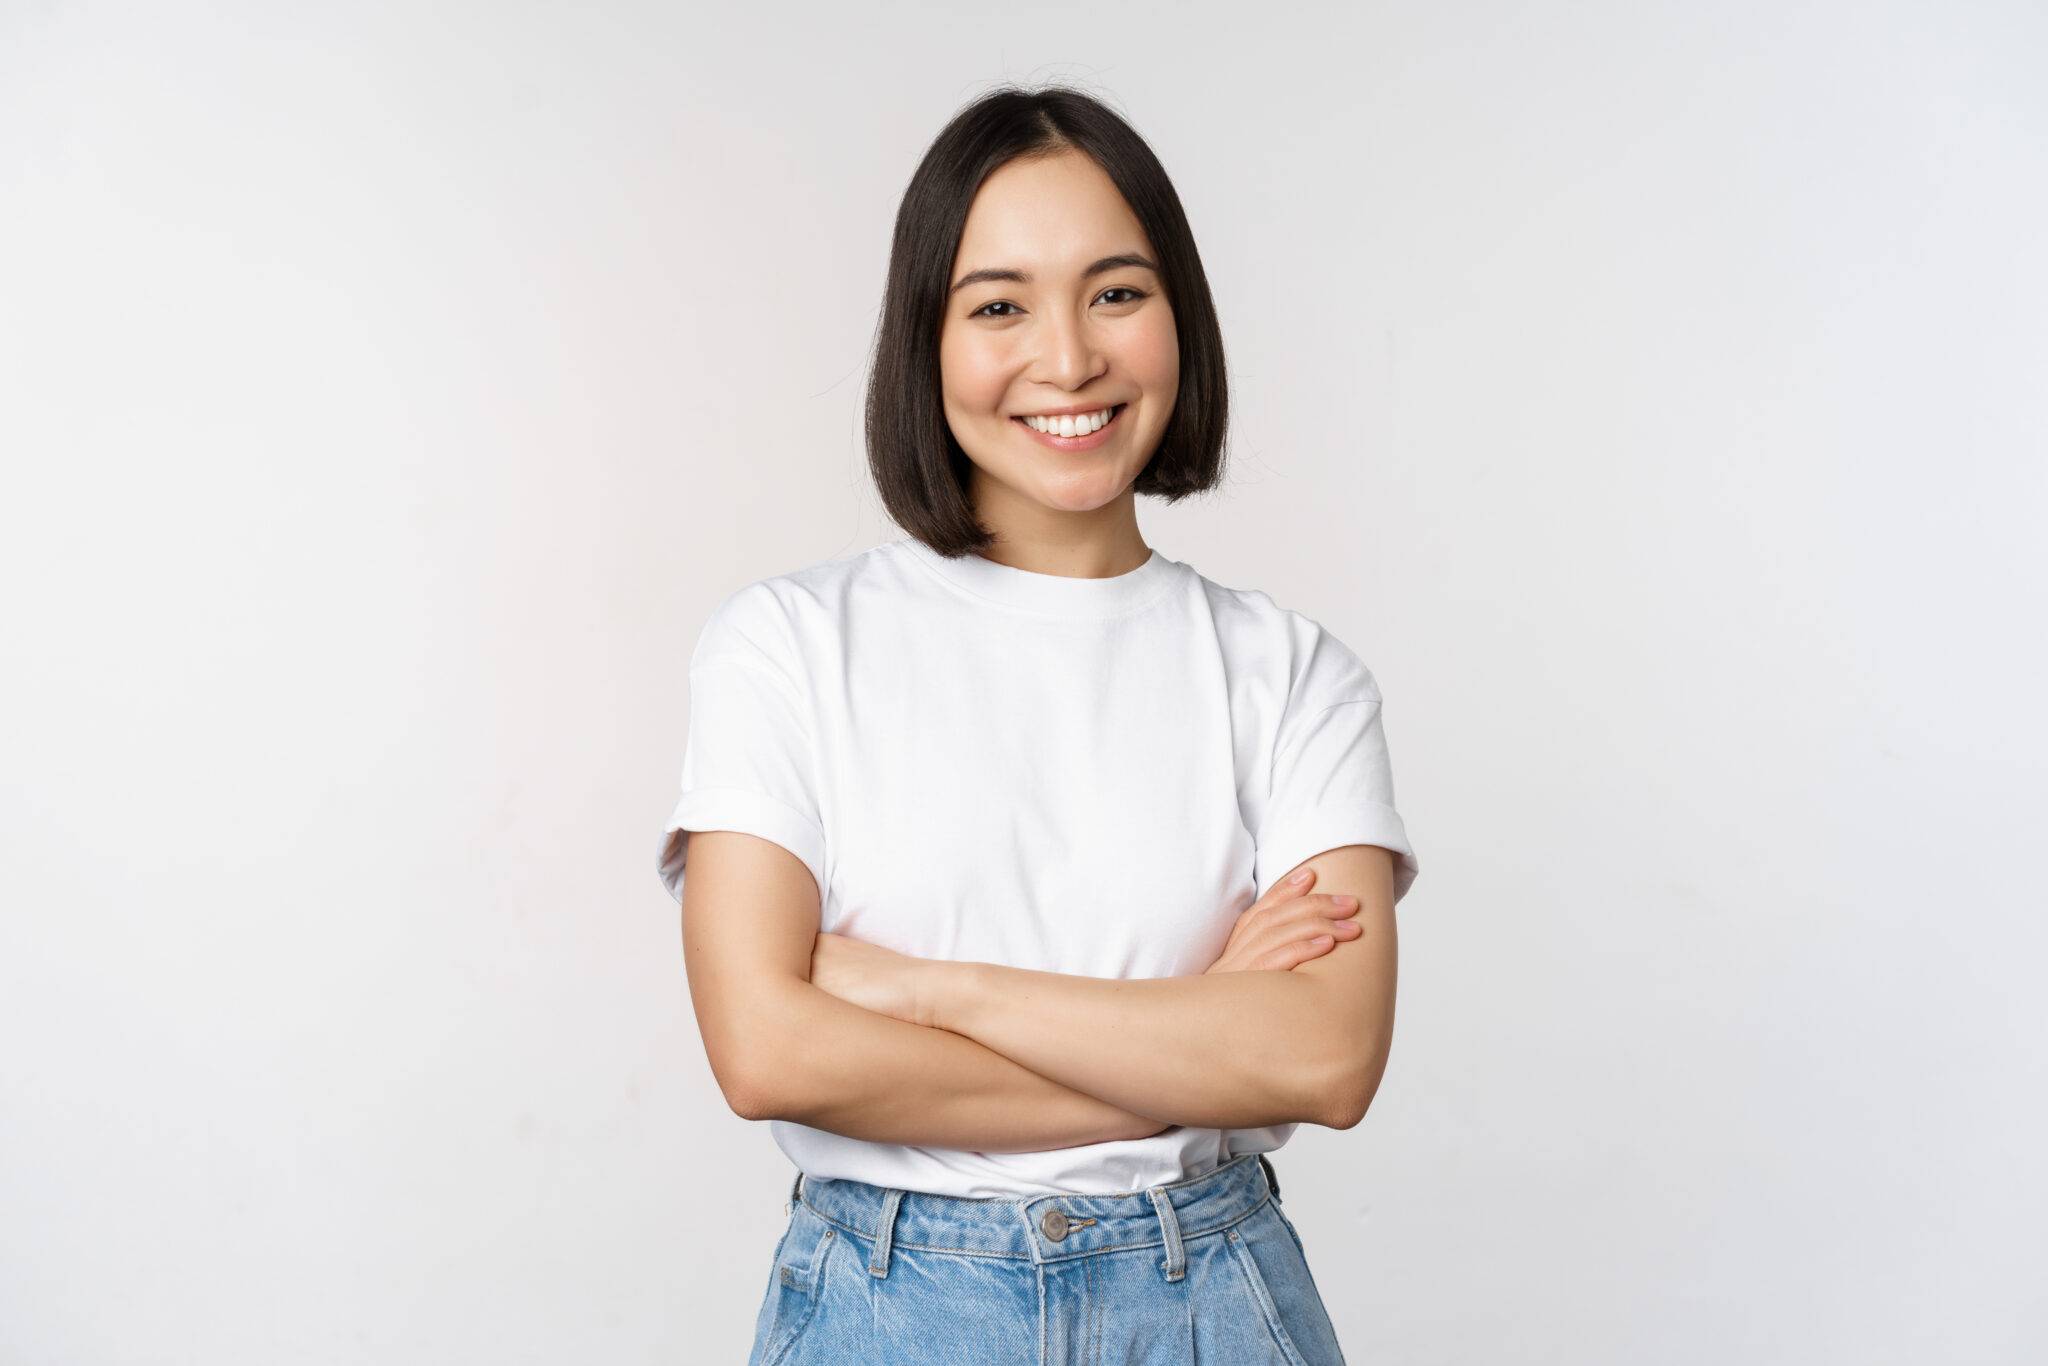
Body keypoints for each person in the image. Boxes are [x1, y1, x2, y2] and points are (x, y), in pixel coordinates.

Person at [658, 83, 1420, 1365]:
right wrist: (1196, 1031)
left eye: (1115, 292)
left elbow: (1326, 1058)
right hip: (890, 1304)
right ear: (925, 339)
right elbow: (768, 1049)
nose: (1067, 360)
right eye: (998, 305)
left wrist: (920, 991)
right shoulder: (786, 644)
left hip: (1209, 1299)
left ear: (1179, 315)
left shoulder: (1290, 675)